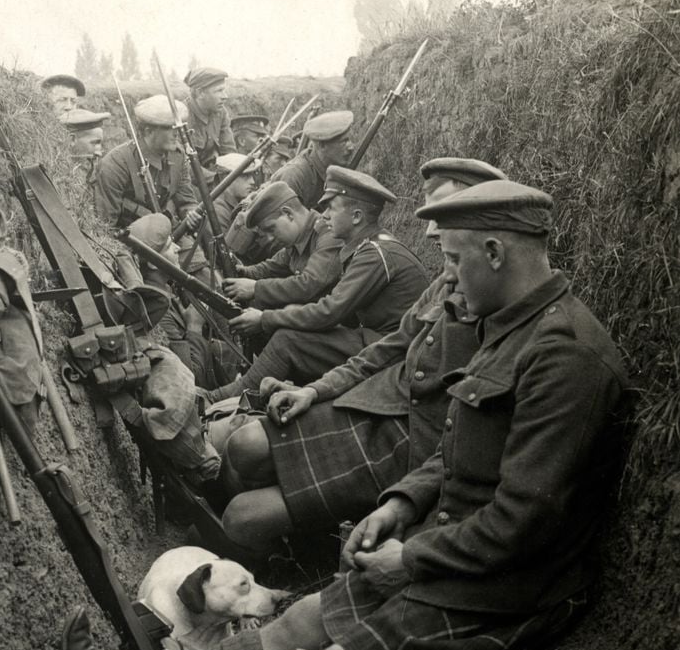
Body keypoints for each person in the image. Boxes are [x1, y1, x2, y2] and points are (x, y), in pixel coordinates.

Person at [53, 179, 628, 650]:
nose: (445, 276)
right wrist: (399, 505)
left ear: (494, 250)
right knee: (302, 622)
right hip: (456, 541)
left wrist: (410, 561)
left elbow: (524, 520)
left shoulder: (562, 355)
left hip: (508, 581)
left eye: (452, 258)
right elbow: (455, 449)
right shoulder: (509, 324)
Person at [215, 157, 506, 553]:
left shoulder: (383, 256)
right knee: (243, 447)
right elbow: (393, 346)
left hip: (407, 437)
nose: (431, 232)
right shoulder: (441, 282)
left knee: (243, 506)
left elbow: (333, 309)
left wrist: (265, 315)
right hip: (380, 400)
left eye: (445, 220)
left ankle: (290, 546)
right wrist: (316, 391)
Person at [207, 167, 428, 401]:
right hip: (382, 340)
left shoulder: (374, 254)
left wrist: (265, 318)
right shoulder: (368, 247)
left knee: (287, 339)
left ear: (356, 217)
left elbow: (329, 311)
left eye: (331, 208)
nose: (324, 216)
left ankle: (225, 397)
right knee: (289, 326)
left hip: (393, 350)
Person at [126, 214, 234, 390]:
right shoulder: (158, 314)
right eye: (169, 246)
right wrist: (194, 326)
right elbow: (192, 379)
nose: (177, 248)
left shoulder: (165, 290)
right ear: (153, 265)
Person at [220, 181, 342, 314]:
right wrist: (242, 271)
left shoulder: (327, 233)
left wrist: (256, 288)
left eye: (271, 229)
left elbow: (310, 284)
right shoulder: (298, 239)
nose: (270, 238)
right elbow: (271, 268)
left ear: (288, 214)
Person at [93, 95, 201, 231]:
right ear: (148, 132)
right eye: (169, 128)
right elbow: (105, 225)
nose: (176, 134)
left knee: (196, 252)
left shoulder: (178, 156)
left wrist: (190, 213)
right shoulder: (116, 164)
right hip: (132, 239)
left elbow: (186, 200)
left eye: (177, 127)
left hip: (169, 231)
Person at [271, 110, 354, 207]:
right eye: (343, 142)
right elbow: (281, 219)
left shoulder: (335, 170)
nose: (351, 147)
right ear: (322, 145)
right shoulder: (294, 176)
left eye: (350, 140)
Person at [184, 67, 236, 168]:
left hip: (215, 172)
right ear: (200, 93)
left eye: (223, 90)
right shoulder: (183, 117)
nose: (225, 96)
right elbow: (182, 167)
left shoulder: (220, 113)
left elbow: (229, 151)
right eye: (219, 91)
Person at [213, 153, 261, 233]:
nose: (252, 181)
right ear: (226, 178)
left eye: (252, 175)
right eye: (245, 176)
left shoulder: (237, 203)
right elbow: (224, 245)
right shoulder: (217, 211)